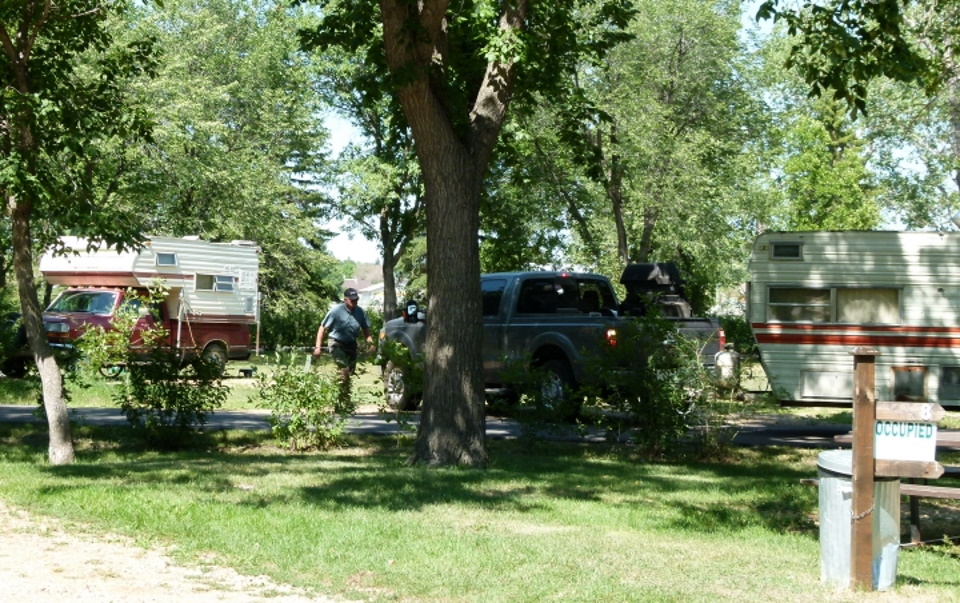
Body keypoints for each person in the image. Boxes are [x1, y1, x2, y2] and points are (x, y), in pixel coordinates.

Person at [313, 288, 374, 404]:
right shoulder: (336, 311)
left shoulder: (360, 312)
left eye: (356, 300)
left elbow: (366, 330)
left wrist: (371, 344)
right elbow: (322, 328)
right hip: (336, 343)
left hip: (351, 345)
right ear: (345, 300)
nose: (354, 302)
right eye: (352, 300)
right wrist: (318, 347)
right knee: (344, 369)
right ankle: (343, 400)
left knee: (349, 373)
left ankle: (341, 397)